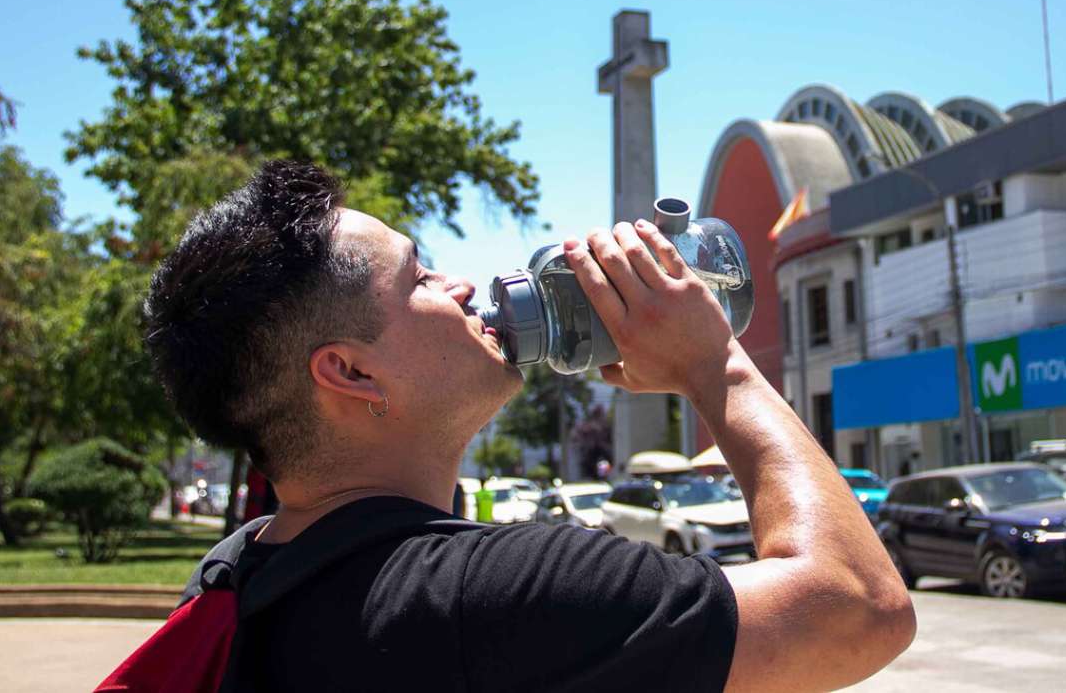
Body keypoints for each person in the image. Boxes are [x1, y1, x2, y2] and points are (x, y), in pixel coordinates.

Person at [144, 160, 914, 691]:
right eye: (419, 277)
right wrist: (719, 365)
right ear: (350, 371)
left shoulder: (233, 577)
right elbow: (859, 606)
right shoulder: (498, 594)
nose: (463, 285)